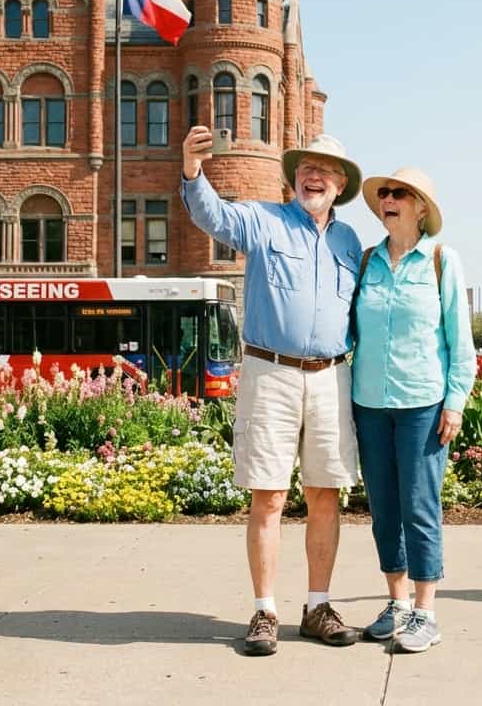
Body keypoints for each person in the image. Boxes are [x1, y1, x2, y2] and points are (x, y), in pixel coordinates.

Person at [180, 127, 364, 657]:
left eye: (326, 170)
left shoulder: (350, 242)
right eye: (307, 167)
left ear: (341, 183)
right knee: (269, 496)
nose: (314, 175)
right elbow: (214, 216)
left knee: (325, 494)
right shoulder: (263, 221)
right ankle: (265, 610)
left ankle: (318, 607)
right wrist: (194, 170)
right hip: (270, 372)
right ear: (294, 177)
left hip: (332, 376)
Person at [351, 167, 476, 654]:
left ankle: (426, 612)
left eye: (398, 193)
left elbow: (458, 342)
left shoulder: (442, 261)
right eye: (384, 193)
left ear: (420, 207)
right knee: (383, 508)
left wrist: (456, 403)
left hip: (423, 404)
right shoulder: (367, 262)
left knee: (420, 507)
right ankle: (397, 603)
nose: (387, 198)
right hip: (370, 405)